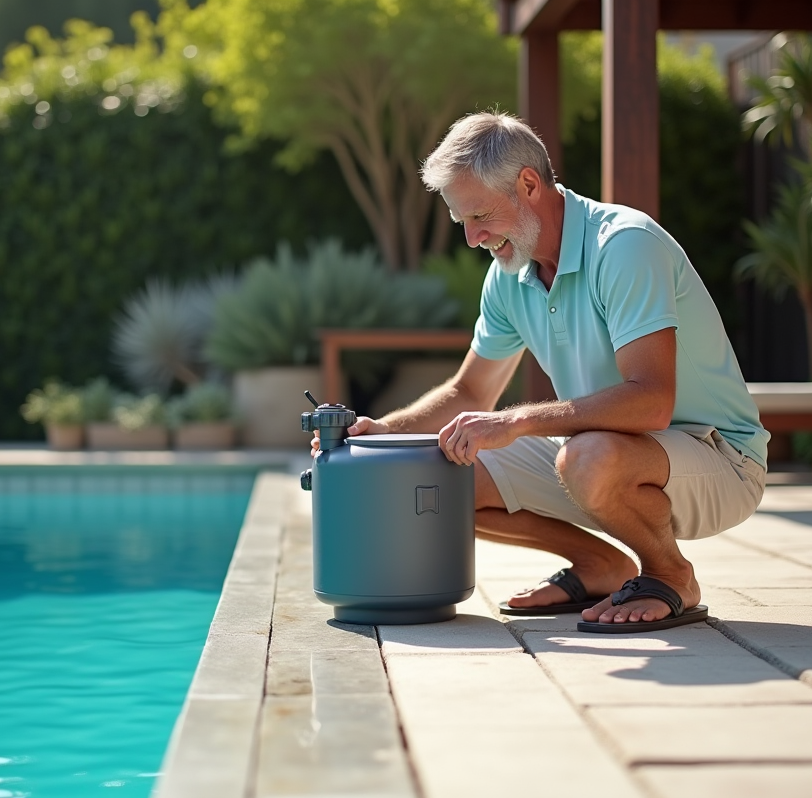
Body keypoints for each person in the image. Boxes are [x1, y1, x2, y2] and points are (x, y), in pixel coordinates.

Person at [321, 111, 769, 633]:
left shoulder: (624, 245)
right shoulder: (509, 274)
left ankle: (671, 576)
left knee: (586, 456)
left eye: (480, 215)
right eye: (461, 221)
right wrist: (383, 434)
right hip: (601, 452)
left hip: (718, 458)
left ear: (529, 184)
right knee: (436, 477)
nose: (471, 238)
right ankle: (601, 565)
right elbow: (470, 389)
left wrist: (517, 422)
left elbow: (652, 402)